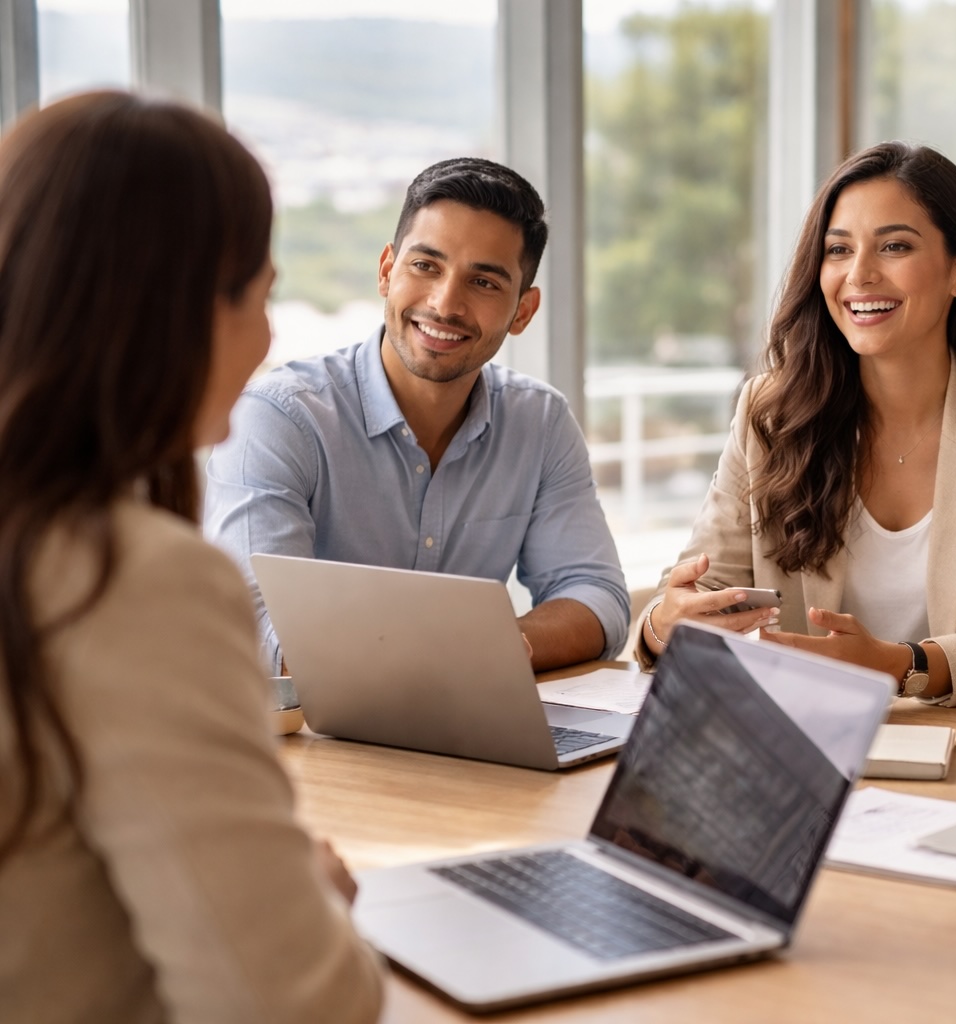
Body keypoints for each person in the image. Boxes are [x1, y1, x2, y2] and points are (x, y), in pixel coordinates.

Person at [0, 93, 381, 1021]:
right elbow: (294, 1005)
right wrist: (310, 904)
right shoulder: (128, 577)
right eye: (255, 294)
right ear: (169, 311)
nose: (267, 336)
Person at [638, 142, 956, 704]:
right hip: (790, 739)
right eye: (838, 250)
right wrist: (666, 624)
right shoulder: (771, 413)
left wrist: (898, 666)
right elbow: (702, 588)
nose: (860, 275)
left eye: (895, 246)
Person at [204, 158, 628, 673]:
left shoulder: (539, 422)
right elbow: (258, 632)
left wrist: (499, 644)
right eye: (425, 266)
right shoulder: (279, 418)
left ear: (523, 310)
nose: (445, 304)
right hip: (314, 745)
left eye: (485, 283)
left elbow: (597, 596)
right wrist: (452, 653)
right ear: (387, 270)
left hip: (468, 733)